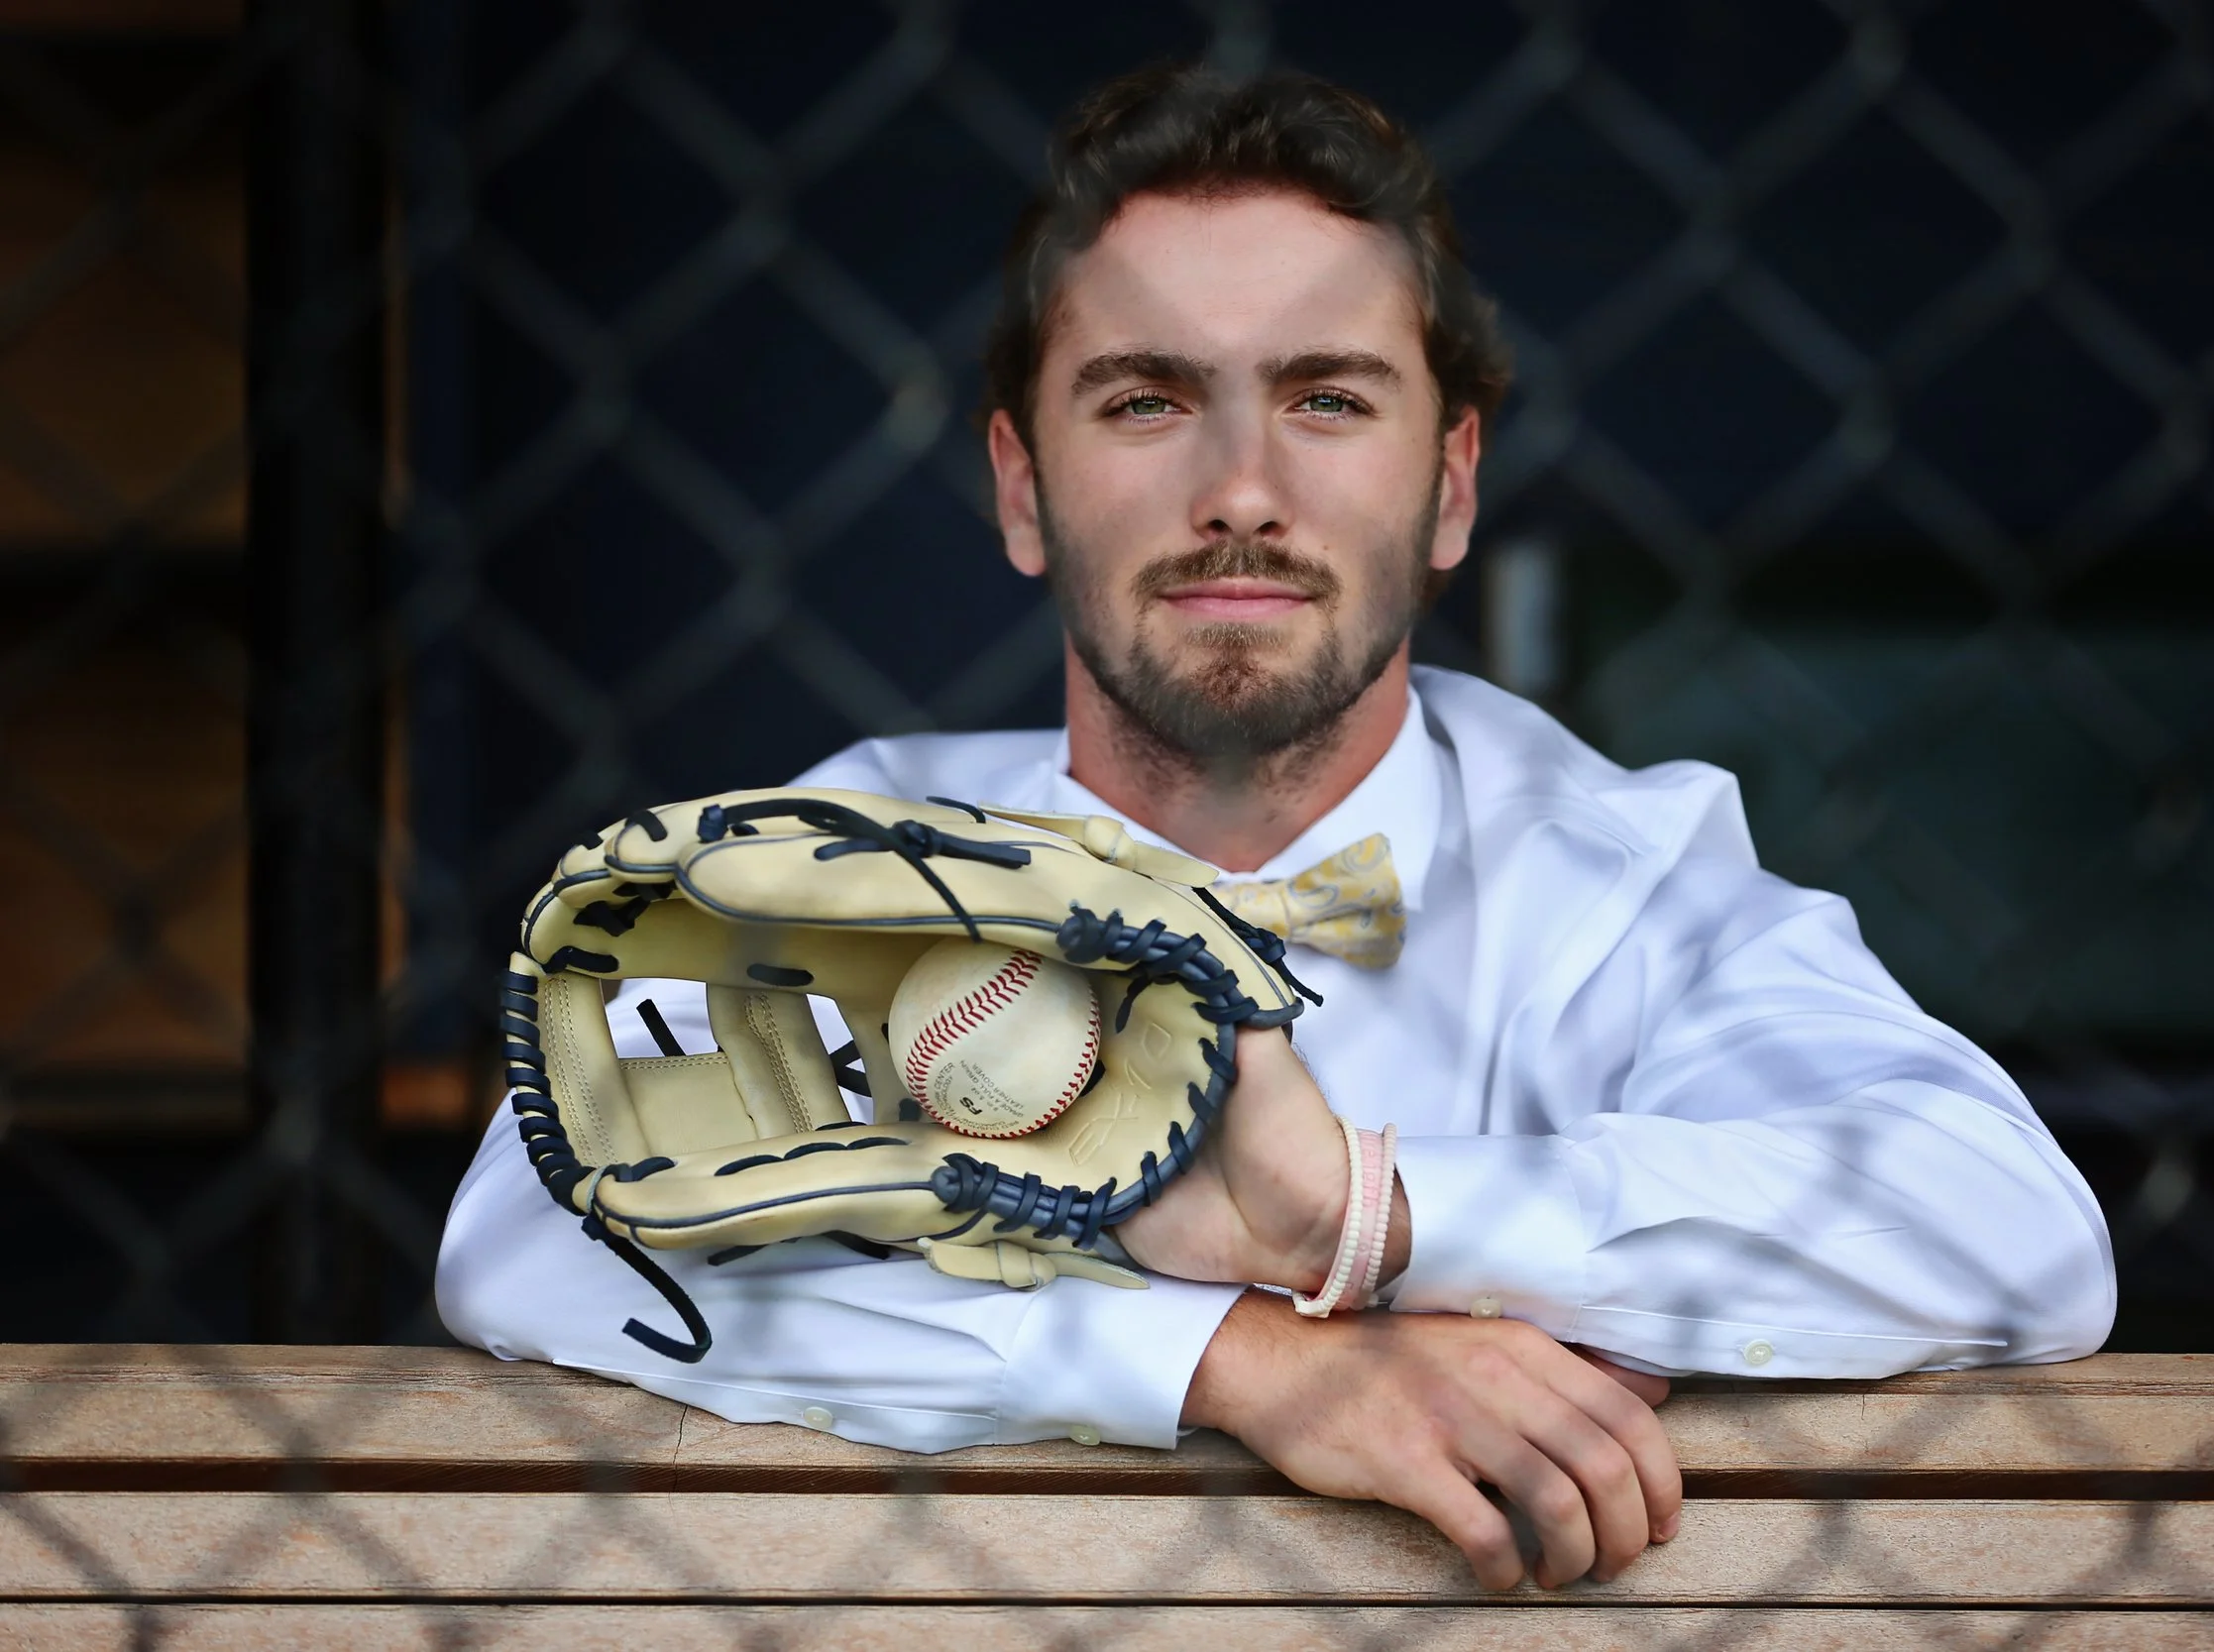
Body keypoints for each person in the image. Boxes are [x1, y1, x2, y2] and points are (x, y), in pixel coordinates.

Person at [436, 62, 2115, 1593]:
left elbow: (2015, 1233)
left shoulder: (1617, 866)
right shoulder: (857, 846)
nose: (1241, 486)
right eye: (1149, 399)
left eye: (1325, 398)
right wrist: (1237, 1361)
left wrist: (1367, 1220)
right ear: (1023, 487)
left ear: (1451, 484)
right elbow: (531, 1235)